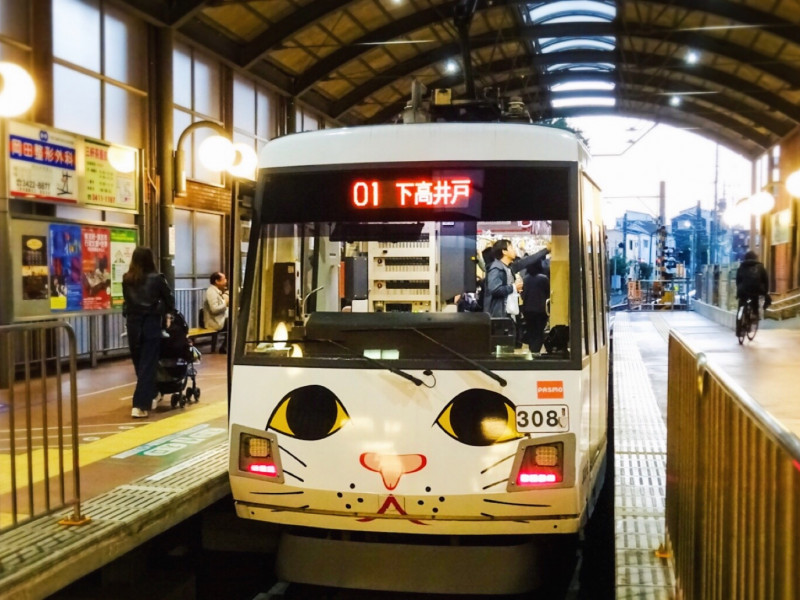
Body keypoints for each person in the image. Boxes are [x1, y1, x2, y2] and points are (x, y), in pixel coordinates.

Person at [122, 247, 175, 418]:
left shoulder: (127, 279)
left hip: (132, 325)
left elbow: (127, 303)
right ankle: (140, 405)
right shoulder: (157, 279)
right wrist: (166, 314)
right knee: (147, 364)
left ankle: (151, 393)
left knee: (139, 363)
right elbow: (169, 300)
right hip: (151, 325)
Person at [483, 239, 524, 319]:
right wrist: (513, 287)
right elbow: (495, 290)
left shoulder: (508, 268)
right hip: (499, 315)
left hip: (508, 313)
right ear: (504, 251)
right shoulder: (496, 268)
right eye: (511, 248)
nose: (514, 250)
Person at [735, 250, 770, 335]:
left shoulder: (742, 266)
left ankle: (739, 328)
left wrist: (739, 289)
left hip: (743, 291)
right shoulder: (760, 267)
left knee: (741, 307)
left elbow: (738, 280)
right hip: (756, 290)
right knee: (755, 303)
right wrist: (765, 292)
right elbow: (765, 280)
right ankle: (754, 315)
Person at [521, 260, 550, 354]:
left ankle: (532, 349)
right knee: (539, 331)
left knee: (531, 329)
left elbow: (523, 294)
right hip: (541, 309)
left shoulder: (525, 279)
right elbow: (548, 293)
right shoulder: (544, 278)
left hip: (527, 309)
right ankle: (536, 350)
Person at [203, 271, 229, 353]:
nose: (226, 280)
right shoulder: (211, 292)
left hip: (219, 319)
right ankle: (225, 347)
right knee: (234, 323)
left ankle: (226, 346)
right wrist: (225, 302)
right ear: (217, 281)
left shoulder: (216, 291)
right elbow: (214, 309)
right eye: (224, 279)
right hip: (214, 322)